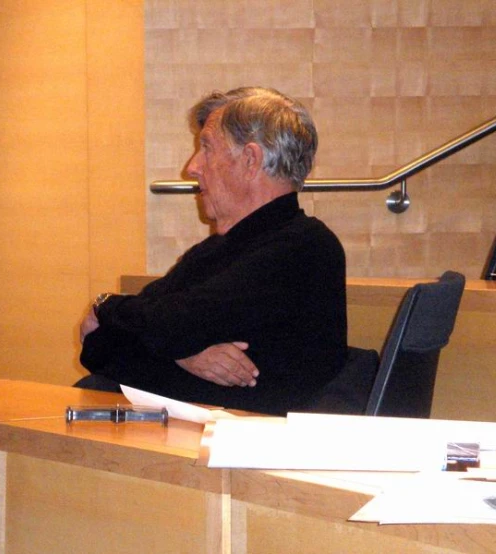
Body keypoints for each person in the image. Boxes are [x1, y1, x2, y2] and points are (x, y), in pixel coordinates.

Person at [78, 86, 347, 416]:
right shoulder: (216, 248)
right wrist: (185, 355)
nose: (192, 167)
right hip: (183, 436)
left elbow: (171, 325)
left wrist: (107, 305)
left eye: (206, 148)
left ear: (250, 160)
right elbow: (96, 348)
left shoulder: (303, 248)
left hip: (243, 450)